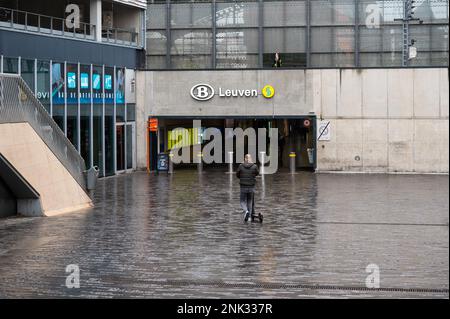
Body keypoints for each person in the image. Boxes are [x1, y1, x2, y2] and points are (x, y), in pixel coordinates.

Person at [236, 154, 259, 222]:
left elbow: (237, 174)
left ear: (245, 159)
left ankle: (246, 211)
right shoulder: (254, 166)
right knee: (250, 201)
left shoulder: (241, 166)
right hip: (251, 186)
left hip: (243, 186)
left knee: (242, 201)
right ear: (250, 159)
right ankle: (249, 217)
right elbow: (257, 173)